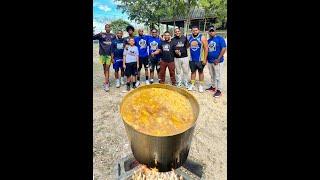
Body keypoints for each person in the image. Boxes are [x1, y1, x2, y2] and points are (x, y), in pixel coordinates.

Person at [93, 24, 116, 92]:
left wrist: (113, 56)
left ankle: (106, 84)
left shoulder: (113, 35)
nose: (107, 28)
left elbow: (115, 45)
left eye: (109, 27)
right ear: (105, 28)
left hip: (109, 55)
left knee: (107, 69)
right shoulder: (101, 34)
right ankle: (107, 80)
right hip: (102, 54)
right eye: (106, 27)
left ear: (110, 28)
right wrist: (98, 34)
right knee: (104, 68)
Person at [205, 25, 227, 97]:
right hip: (210, 61)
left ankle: (219, 90)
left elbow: (223, 48)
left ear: (215, 31)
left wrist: (218, 59)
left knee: (218, 76)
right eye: (210, 31)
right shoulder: (208, 41)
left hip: (218, 61)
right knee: (212, 75)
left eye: (212, 30)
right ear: (208, 32)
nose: (211, 32)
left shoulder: (220, 39)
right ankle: (213, 87)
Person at [188, 25, 208, 92]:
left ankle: (201, 86)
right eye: (193, 30)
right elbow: (186, 47)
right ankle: (192, 84)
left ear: (198, 30)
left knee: (200, 72)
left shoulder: (202, 37)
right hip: (192, 59)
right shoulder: (190, 38)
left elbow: (206, 49)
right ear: (192, 31)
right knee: (193, 72)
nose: (195, 31)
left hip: (200, 59)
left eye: (196, 30)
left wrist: (205, 59)